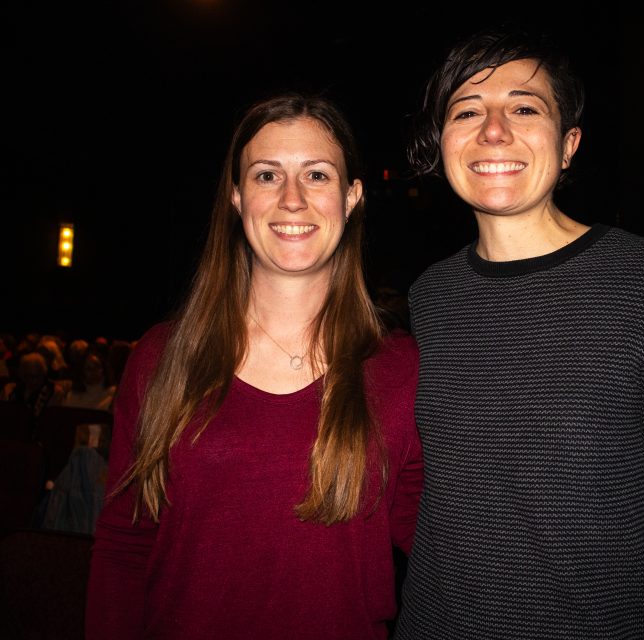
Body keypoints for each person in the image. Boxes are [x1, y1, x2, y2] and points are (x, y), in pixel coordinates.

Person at [394, 24, 644, 639]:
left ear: (569, 143)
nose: (493, 130)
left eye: (524, 108)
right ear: (442, 142)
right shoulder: (429, 298)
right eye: (467, 110)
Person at [86, 92, 423, 639]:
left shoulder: (401, 369)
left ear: (352, 197)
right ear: (238, 198)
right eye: (267, 176)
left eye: (317, 175)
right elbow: (125, 547)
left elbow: (442, 548)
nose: (292, 198)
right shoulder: (160, 358)